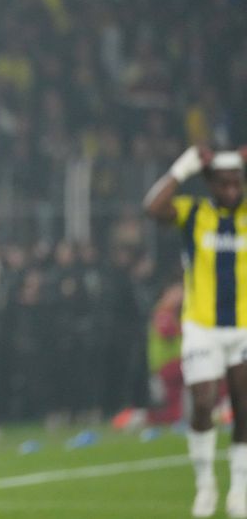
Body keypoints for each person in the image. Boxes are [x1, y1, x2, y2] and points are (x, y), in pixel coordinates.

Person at [144, 145, 247, 518]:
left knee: (243, 406)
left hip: (243, 328)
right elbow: (152, 207)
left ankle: (240, 488)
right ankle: (206, 484)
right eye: (224, 184)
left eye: (238, 184)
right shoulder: (194, 212)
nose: (232, 191)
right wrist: (183, 166)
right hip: (202, 327)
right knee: (203, 404)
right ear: (210, 184)